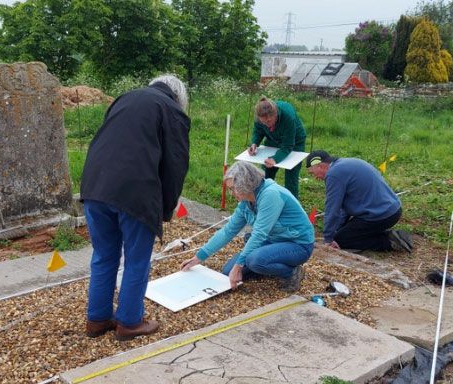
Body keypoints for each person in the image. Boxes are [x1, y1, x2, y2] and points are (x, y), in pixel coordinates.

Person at [80, 74, 190, 341]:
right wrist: (167, 207)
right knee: (137, 260)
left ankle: (97, 319)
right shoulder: (172, 110)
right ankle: (129, 322)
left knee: (104, 256)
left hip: (95, 186)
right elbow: (175, 165)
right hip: (135, 191)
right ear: (179, 97)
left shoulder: (125, 98)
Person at [180, 161, 314, 292]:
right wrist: (199, 257)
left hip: (298, 245)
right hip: (273, 241)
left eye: (233, 189)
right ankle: (266, 265)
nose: (232, 194)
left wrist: (239, 266)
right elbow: (228, 231)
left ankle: (292, 272)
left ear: (245, 184)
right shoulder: (246, 202)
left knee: (255, 260)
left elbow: (259, 234)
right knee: (227, 272)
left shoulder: (271, 194)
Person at [306, 150, 413, 253]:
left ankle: (388, 241)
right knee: (342, 233)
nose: (315, 177)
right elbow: (343, 206)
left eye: (312, 173)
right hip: (392, 209)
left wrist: (328, 239)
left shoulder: (333, 174)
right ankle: (380, 234)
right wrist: (337, 229)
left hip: (381, 215)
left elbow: (332, 208)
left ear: (319, 166)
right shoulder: (344, 164)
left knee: (342, 240)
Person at [248, 97, 306, 199]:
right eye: (264, 122)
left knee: (291, 174)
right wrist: (254, 143)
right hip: (273, 139)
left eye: (269, 121)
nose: (267, 124)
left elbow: (288, 145)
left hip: (295, 140)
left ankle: (291, 203)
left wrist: (275, 159)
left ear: (276, 115)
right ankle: (265, 198)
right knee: (267, 170)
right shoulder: (259, 118)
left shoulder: (288, 116)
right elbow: (258, 131)